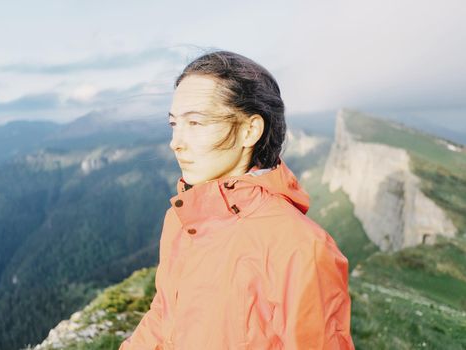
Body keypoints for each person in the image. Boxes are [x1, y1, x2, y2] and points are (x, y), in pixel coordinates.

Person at [119, 50, 355, 349]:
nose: (175, 143)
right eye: (174, 124)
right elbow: (164, 315)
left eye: (195, 123)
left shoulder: (301, 247)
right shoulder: (182, 218)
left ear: (250, 130)